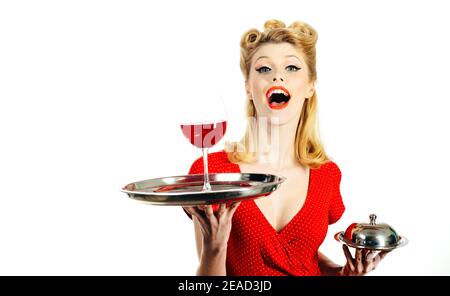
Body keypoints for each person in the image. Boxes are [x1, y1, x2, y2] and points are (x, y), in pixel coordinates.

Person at [182, 19, 388, 276]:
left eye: (291, 67)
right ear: (248, 86)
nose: (277, 76)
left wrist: (343, 273)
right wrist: (215, 247)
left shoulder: (327, 175)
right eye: (264, 68)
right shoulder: (212, 171)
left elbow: (304, 258)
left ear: (310, 86)